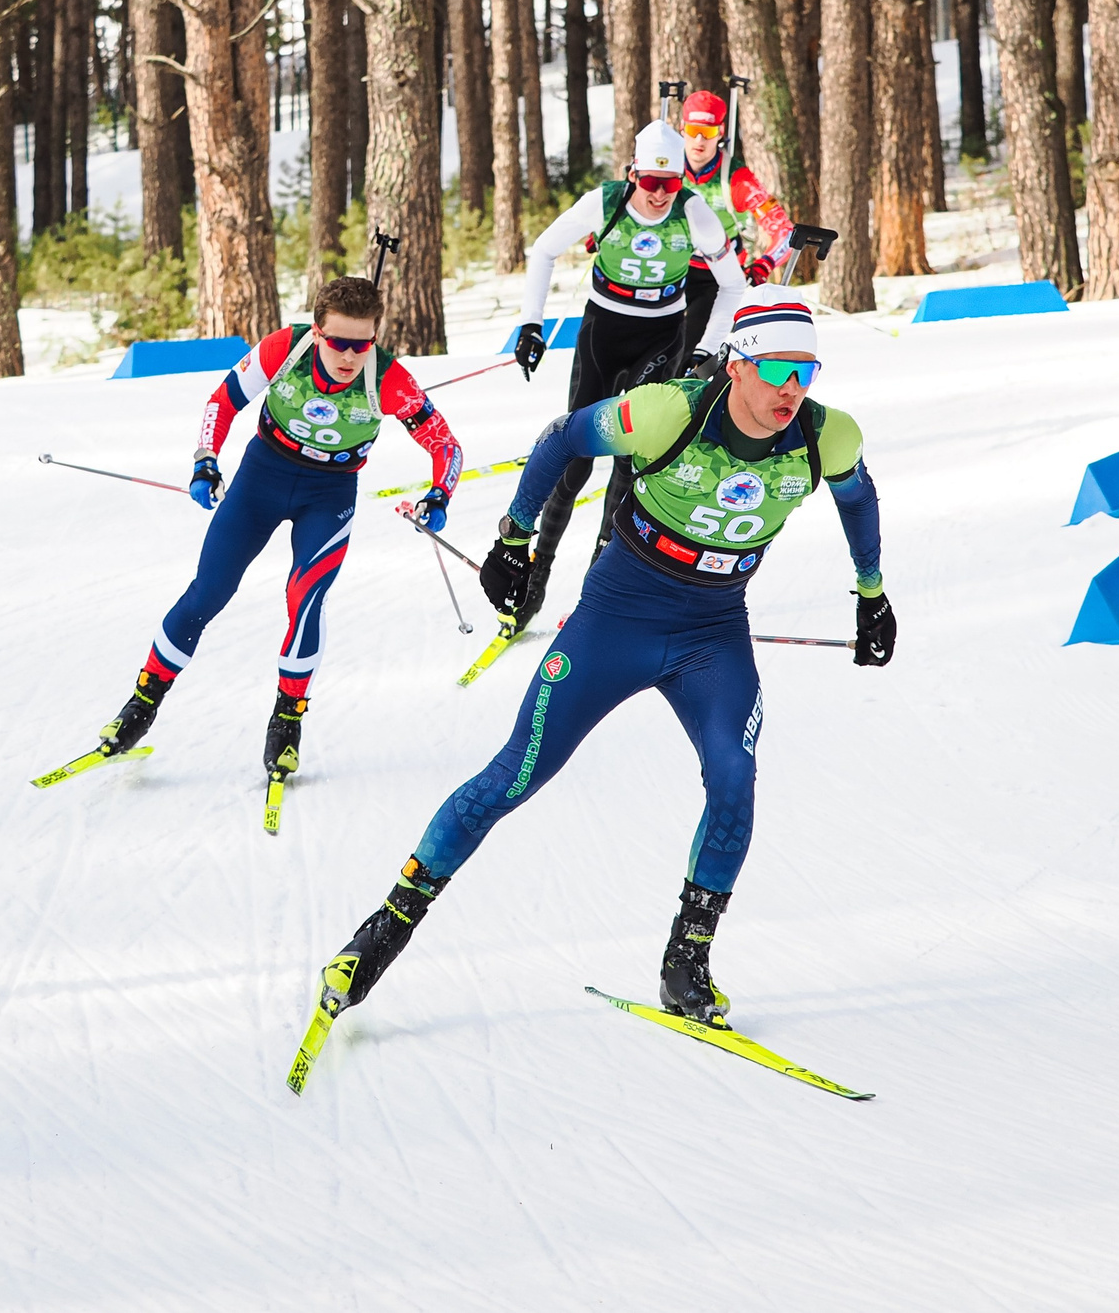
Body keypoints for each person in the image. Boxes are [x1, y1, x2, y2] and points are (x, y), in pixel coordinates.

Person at [300, 298, 896, 1061]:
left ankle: (687, 963)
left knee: (735, 777)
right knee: (513, 775)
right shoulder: (665, 411)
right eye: (779, 370)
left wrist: (872, 592)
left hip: (714, 632)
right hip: (618, 616)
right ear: (739, 363)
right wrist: (513, 539)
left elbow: (859, 499)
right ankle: (375, 936)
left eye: (806, 372)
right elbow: (560, 438)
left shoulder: (827, 433)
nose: (793, 389)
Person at [95, 275, 462, 789]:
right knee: (209, 591)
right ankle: (141, 704)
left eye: (363, 343)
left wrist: (439, 495)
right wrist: (205, 461)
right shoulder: (283, 350)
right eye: (338, 342)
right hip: (261, 478)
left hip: (329, 495)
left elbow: (446, 444)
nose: (350, 355)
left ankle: (287, 720)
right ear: (317, 332)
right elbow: (220, 403)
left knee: (305, 600)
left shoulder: (389, 379)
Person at [505, 119, 751, 625]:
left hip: (661, 338)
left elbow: (733, 284)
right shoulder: (606, 201)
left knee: (627, 456)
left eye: (671, 184)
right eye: (650, 183)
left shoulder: (695, 213)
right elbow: (544, 249)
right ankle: (534, 576)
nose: (660, 195)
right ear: (633, 173)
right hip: (601, 333)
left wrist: (707, 349)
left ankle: (597, 588)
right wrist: (531, 324)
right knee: (574, 459)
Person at [674, 88, 801, 359]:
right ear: (681, 128)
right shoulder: (666, 166)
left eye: (708, 132)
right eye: (694, 129)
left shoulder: (737, 179)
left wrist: (764, 263)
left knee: (689, 348)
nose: (699, 140)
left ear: (720, 133)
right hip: (672, 266)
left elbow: (785, 232)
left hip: (719, 275)